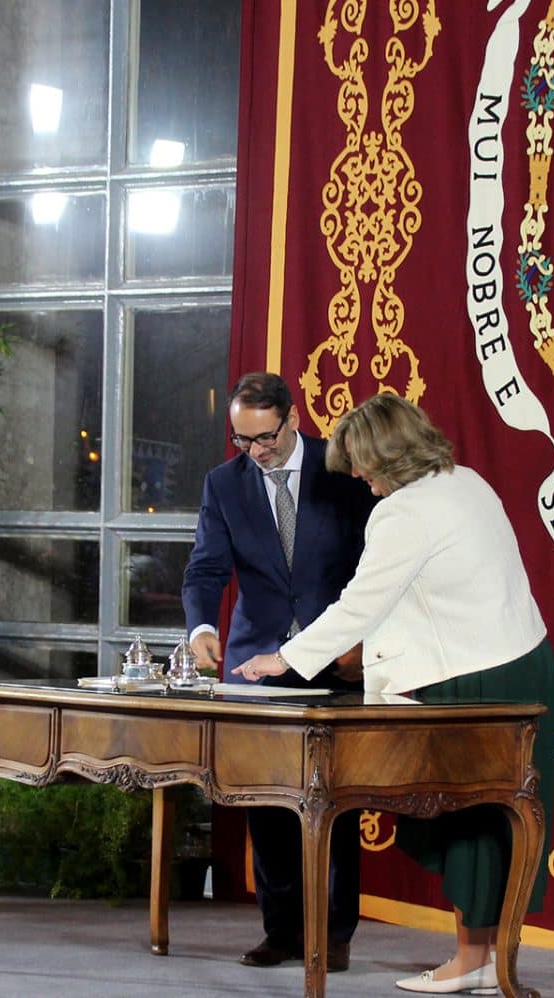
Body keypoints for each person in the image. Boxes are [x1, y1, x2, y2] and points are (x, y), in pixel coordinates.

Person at [235, 392, 554, 996]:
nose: (357, 475)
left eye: (361, 462)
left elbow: (360, 605)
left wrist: (283, 659)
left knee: (467, 823)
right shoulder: (466, 482)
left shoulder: (404, 512)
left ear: (388, 454)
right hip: (524, 667)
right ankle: (489, 962)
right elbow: (430, 595)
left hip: (477, 679)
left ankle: (469, 964)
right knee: (496, 822)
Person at [181, 371, 376, 973]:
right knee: (264, 804)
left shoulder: (341, 468)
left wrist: (363, 647)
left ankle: (334, 933)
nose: (256, 452)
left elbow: (378, 563)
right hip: (254, 663)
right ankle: (281, 931)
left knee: (334, 804)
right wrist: (202, 629)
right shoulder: (224, 484)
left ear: (293, 418)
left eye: (265, 438)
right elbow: (204, 570)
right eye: (242, 441)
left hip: (333, 660)